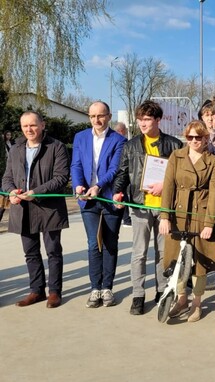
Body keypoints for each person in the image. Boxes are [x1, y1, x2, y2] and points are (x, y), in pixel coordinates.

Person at [112, 100, 183, 315]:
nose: (143, 123)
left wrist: (166, 187)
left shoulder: (174, 145)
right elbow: (123, 172)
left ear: (157, 120)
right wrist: (117, 191)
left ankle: (161, 291)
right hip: (139, 206)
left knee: (163, 253)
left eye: (147, 119)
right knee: (139, 253)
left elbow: (179, 175)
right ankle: (138, 294)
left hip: (164, 209)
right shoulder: (130, 145)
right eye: (140, 119)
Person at [2, 111, 69, 308]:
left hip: (49, 208)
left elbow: (60, 178)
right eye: (25, 126)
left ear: (42, 125)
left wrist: (36, 192)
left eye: (33, 125)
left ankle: (55, 291)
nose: (29, 130)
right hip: (22, 208)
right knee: (30, 252)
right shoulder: (15, 149)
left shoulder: (56, 147)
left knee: (53, 251)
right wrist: (11, 191)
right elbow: (7, 177)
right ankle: (36, 290)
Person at [159, 120, 215, 322]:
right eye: (190, 137)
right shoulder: (176, 157)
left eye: (198, 137)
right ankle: (181, 298)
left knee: (200, 262)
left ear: (206, 139)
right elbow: (168, 186)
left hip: (201, 213)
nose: (194, 141)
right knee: (176, 259)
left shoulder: (212, 161)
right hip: (178, 213)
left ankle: (197, 303)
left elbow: (213, 194)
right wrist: (165, 216)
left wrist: (209, 224)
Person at [71, 101, 127, 308]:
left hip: (109, 198)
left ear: (109, 116)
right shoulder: (80, 138)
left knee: (110, 244)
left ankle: (107, 288)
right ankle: (95, 288)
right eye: (93, 116)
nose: (97, 120)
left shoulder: (119, 140)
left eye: (101, 115)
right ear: (89, 117)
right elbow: (76, 164)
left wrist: (98, 186)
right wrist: (78, 186)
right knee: (94, 244)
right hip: (87, 200)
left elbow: (115, 168)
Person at [113, 122, 132, 227]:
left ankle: (125, 218)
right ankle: (126, 219)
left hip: (118, 173)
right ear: (122, 131)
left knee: (121, 194)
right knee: (122, 194)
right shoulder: (123, 142)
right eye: (125, 130)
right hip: (120, 173)